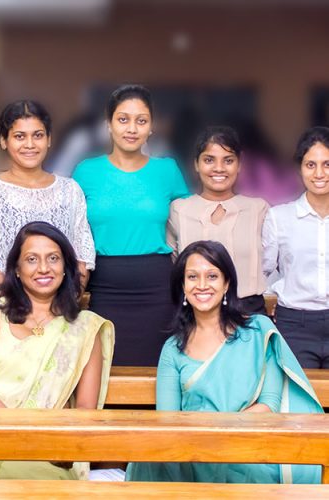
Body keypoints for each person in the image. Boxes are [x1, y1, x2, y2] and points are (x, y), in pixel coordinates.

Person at [126, 240, 323, 484]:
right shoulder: (173, 349)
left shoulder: (258, 332)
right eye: (192, 277)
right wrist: (203, 441)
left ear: (226, 283)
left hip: (247, 448)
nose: (202, 285)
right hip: (192, 451)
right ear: (183, 286)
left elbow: (269, 404)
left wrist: (222, 434)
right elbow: (168, 420)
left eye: (212, 276)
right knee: (152, 461)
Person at [0, 221, 114, 480]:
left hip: (53, 452)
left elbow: (86, 412)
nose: (43, 268)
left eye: (53, 258)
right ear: (17, 270)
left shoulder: (85, 328)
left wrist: (45, 445)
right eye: (31, 259)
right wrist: (26, 439)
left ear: (66, 267)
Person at [73, 84, 189, 366]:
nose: (132, 128)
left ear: (152, 127)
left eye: (141, 120)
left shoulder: (167, 170)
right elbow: (71, 230)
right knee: (104, 368)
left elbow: (189, 225)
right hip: (104, 284)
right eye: (123, 119)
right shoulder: (86, 171)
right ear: (108, 124)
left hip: (158, 286)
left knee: (157, 368)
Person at [0, 100, 95, 298]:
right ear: (3, 141)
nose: (30, 144)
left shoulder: (70, 191)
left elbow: (81, 258)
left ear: (49, 139)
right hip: (5, 310)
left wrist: (61, 304)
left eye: (38, 135)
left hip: (61, 310)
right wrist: (27, 308)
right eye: (20, 136)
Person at [167, 126, 268, 314]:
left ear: (239, 164)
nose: (219, 168)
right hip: (196, 314)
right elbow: (175, 265)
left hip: (249, 314)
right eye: (209, 160)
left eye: (228, 160)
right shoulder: (179, 210)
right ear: (196, 164)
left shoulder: (258, 209)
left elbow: (274, 261)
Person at [262, 126, 329, 368]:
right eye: (311, 165)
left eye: (327, 164)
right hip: (295, 326)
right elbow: (263, 271)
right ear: (299, 168)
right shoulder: (279, 217)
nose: (319, 173)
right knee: (298, 392)